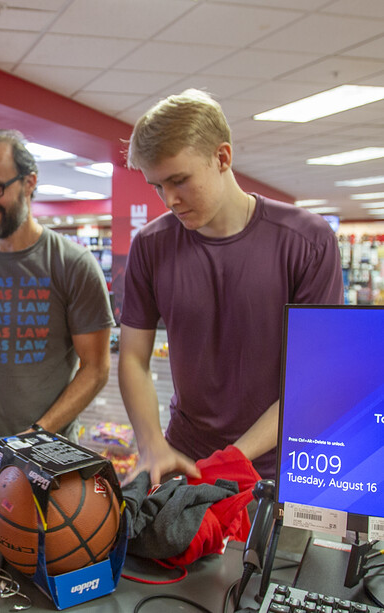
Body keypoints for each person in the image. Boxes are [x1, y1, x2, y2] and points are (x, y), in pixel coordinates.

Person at [119, 88, 342, 486]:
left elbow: (311, 377)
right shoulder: (151, 245)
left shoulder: (307, 240)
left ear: (222, 157)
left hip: (280, 465)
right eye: (157, 186)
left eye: (179, 180)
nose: (168, 199)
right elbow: (133, 357)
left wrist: (233, 459)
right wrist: (151, 442)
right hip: (182, 457)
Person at [0, 129, 114, 448]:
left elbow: (95, 368)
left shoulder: (73, 265)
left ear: (29, 183)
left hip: (46, 448)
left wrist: (37, 434)